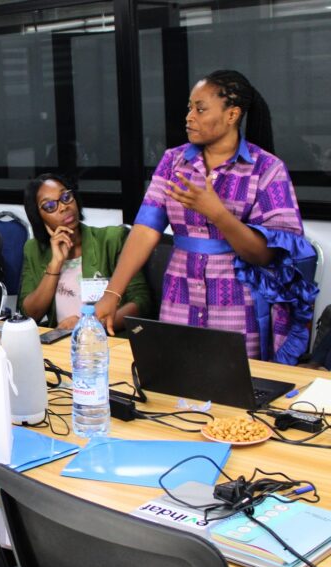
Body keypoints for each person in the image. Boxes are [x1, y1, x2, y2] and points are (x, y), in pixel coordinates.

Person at [96, 70, 316, 364]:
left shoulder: (267, 169)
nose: (189, 117)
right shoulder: (173, 161)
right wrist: (113, 293)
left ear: (232, 115)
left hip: (237, 304)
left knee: (232, 383)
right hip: (179, 295)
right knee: (175, 378)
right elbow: (145, 229)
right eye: (189, 108)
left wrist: (217, 213)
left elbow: (265, 255)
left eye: (200, 109)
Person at [19, 173, 151, 330]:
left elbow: (141, 302)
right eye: (50, 206)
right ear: (38, 217)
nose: (63, 207)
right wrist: (55, 265)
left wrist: (90, 326)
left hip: (106, 339)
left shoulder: (112, 239)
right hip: (60, 340)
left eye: (66, 197)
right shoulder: (33, 250)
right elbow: (29, 314)